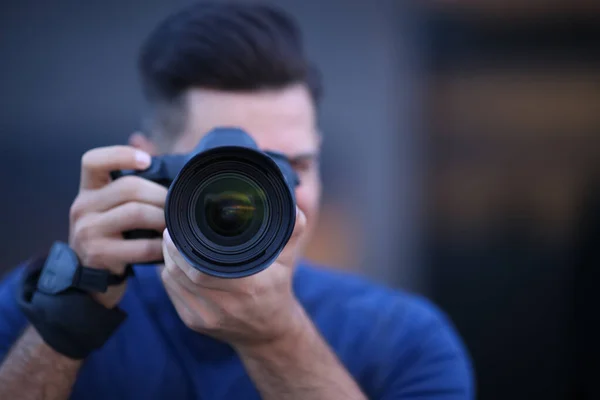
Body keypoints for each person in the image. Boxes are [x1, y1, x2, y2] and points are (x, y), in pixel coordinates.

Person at [0, 2, 474, 399]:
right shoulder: (31, 311)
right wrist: (69, 315)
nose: (271, 195)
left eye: (294, 167)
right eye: (229, 170)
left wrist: (276, 338)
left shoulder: (405, 338)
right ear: (145, 169)